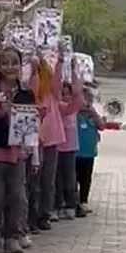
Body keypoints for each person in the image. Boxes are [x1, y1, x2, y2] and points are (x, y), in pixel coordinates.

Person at [0, 47, 38, 253]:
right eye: (5, 63)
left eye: (14, 62)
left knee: (16, 196)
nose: (10, 67)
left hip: (17, 152)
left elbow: (31, 122)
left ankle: (12, 235)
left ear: (20, 65)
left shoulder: (26, 93)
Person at [32, 52, 66, 229]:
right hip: (32, 138)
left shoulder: (51, 93)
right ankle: (32, 215)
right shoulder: (30, 89)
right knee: (33, 179)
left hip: (50, 137)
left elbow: (58, 82)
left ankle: (44, 214)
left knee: (47, 179)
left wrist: (60, 61)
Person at [55, 65, 85, 219]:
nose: (66, 97)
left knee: (70, 178)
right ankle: (59, 205)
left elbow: (79, 102)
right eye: (63, 94)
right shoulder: (59, 106)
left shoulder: (72, 107)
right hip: (58, 146)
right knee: (58, 179)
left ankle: (70, 205)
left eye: (68, 94)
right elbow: (73, 105)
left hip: (70, 147)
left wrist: (74, 74)